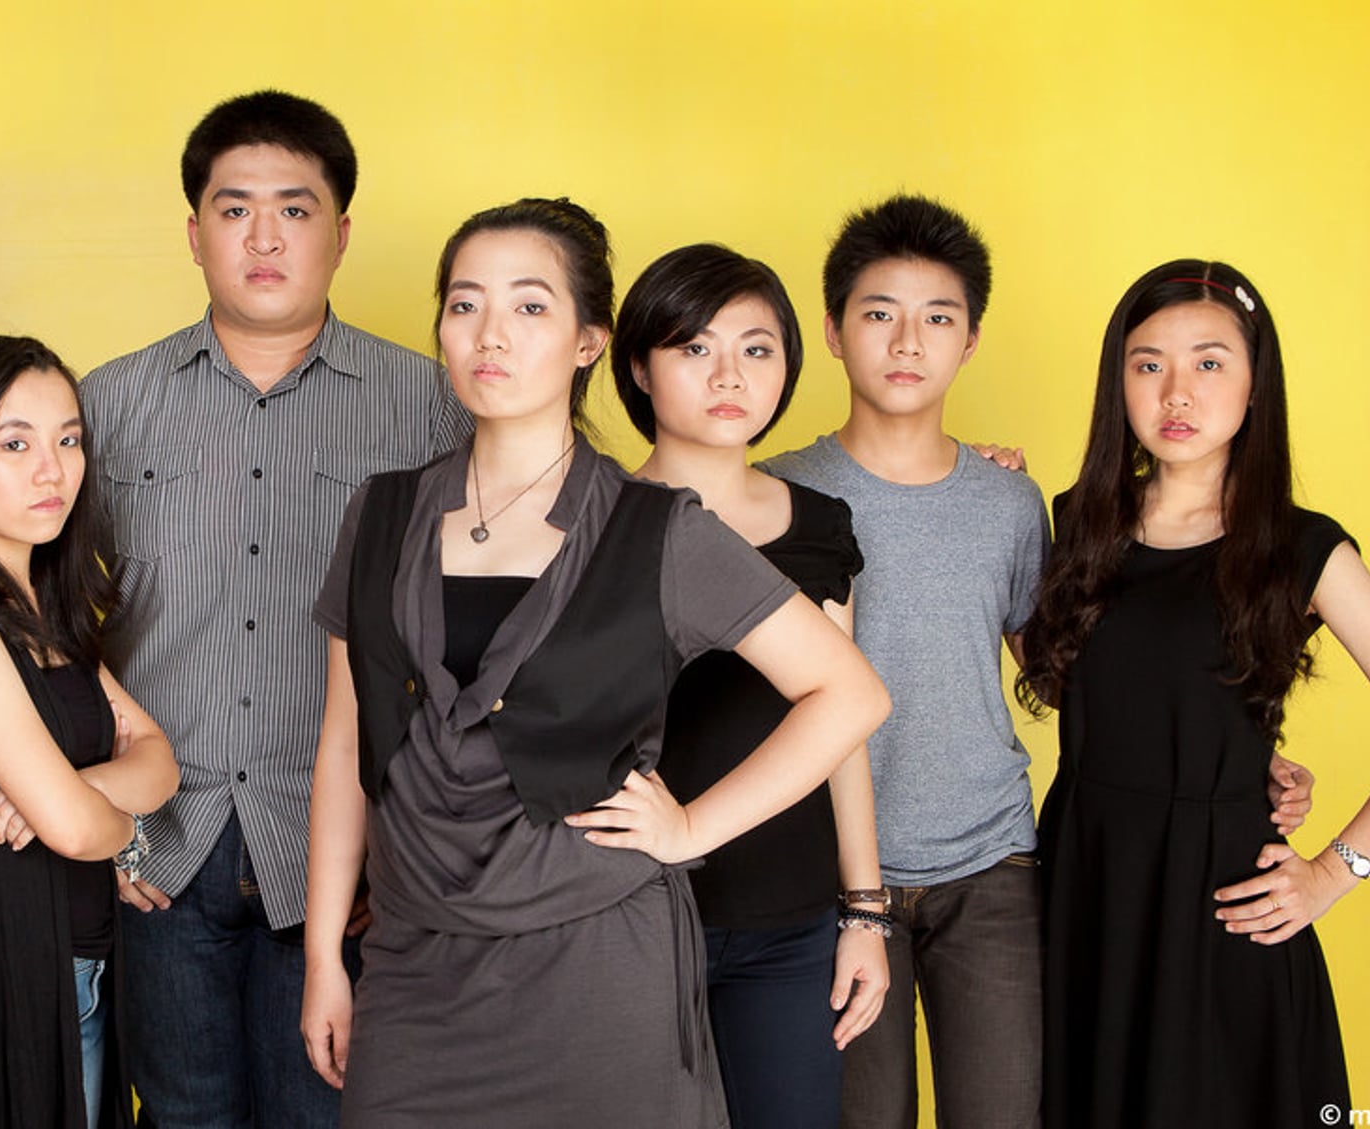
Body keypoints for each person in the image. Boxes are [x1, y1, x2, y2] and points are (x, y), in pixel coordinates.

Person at [300, 198, 890, 1125]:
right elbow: (345, 749)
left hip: (596, 968)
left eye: (531, 306)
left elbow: (848, 692)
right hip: (414, 965)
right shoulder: (378, 513)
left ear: (588, 342)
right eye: (465, 304)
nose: (491, 333)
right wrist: (323, 958)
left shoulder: (658, 530)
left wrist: (689, 828)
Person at [80, 89, 470, 1127]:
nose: (264, 237)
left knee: (327, 1112)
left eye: (295, 209)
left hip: (352, 849)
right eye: (235, 208)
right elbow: (44, 615)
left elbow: (497, 617)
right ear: (194, 233)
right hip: (162, 848)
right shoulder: (107, 404)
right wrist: (97, 817)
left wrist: (414, 836)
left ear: (341, 234)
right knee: (182, 1115)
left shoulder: (432, 406)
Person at [1017, 261, 1370, 1128]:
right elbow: (1065, 675)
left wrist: (1333, 872)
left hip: (1219, 895)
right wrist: (991, 491)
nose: (1176, 391)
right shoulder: (1075, 521)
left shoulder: (1298, 547)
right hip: (1087, 879)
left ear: (1257, 383)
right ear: (1118, 382)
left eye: (1210, 362)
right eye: (1148, 364)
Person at [751, 193, 1059, 1127]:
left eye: (938, 318)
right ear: (834, 331)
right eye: (879, 313)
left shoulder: (1010, 502)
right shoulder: (776, 492)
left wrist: (1237, 752)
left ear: (971, 341)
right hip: (827, 873)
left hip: (990, 864)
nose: (907, 342)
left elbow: (1053, 671)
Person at [616, 242, 888, 1127]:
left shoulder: (820, 523)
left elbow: (842, 729)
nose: (728, 373)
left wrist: (864, 910)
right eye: (695, 346)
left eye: (756, 348)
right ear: (639, 367)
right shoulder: (592, 519)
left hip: (788, 919)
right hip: (629, 914)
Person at [0, 335, 181, 1128]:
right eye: (15, 444)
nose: (53, 470)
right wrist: (109, 828)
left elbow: (159, 761)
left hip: (80, 970)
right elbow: (80, 830)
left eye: (68, 440)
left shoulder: (49, 608)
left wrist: (74, 791)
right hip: (0, 988)